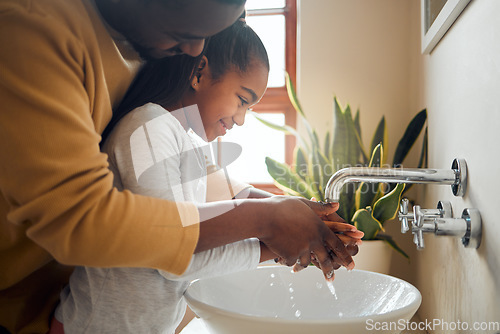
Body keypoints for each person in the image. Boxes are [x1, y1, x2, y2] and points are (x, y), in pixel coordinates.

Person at [0, 0, 354, 333]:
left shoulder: (178, 131)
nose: (196, 47)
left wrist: (305, 220)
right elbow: (175, 254)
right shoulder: (146, 124)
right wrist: (272, 232)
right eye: (242, 100)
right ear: (199, 73)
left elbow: (226, 191)